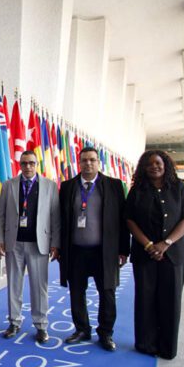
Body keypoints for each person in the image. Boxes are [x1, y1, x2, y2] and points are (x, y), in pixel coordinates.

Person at [126, 150, 184, 359]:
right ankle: (146, 344)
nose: (154, 167)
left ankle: (167, 347)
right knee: (145, 299)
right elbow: (129, 220)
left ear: (165, 165)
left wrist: (166, 243)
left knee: (170, 300)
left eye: (158, 163)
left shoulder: (179, 188)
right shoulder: (137, 190)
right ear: (143, 168)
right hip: (144, 253)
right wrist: (149, 245)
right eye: (149, 164)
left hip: (174, 254)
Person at [59, 147, 129, 351]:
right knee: (76, 292)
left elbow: (123, 220)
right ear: (79, 163)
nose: (88, 163)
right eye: (84, 160)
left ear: (98, 162)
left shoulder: (114, 186)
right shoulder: (68, 186)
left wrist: (123, 249)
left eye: (92, 160)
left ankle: (105, 333)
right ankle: (82, 329)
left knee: (107, 292)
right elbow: (61, 219)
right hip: (76, 251)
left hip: (104, 252)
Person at [0, 150, 60, 344]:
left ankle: (41, 325)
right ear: (20, 165)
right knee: (14, 285)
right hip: (14, 243)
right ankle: (14, 322)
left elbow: (55, 217)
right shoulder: (9, 185)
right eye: (24, 163)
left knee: (39, 287)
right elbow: (1, 215)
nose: (28, 166)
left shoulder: (49, 186)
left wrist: (55, 243)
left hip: (39, 244)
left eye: (31, 163)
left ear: (37, 164)